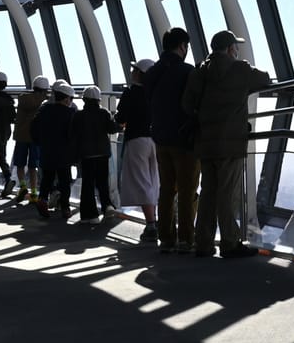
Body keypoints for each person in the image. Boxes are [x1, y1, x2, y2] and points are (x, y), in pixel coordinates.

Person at [183, 30, 270, 258]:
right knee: (227, 193)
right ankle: (230, 242)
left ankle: (203, 243)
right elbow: (265, 78)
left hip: (205, 142)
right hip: (230, 142)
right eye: (236, 48)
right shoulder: (240, 69)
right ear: (231, 49)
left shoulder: (199, 71)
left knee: (209, 192)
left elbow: (186, 104)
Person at [143, 27, 197, 253]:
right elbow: (194, 103)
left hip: (160, 138)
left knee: (167, 189)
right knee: (187, 190)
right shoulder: (187, 71)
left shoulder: (153, 73)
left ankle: (166, 238)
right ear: (182, 46)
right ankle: (186, 239)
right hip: (184, 140)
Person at [115, 58, 159, 245]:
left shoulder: (130, 93)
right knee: (153, 180)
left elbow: (121, 118)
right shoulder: (157, 93)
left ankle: (151, 225)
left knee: (141, 181)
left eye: (135, 69)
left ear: (139, 74)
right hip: (155, 139)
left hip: (136, 139)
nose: (132, 71)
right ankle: (155, 220)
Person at [71, 84, 119, 223]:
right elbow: (112, 129)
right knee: (102, 182)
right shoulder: (104, 113)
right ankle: (107, 206)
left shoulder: (78, 115)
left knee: (88, 184)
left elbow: (73, 136)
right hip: (102, 153)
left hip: (86, 154)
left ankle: (89, 215)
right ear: (98, 100)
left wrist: (74, 155)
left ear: (84, 100)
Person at [32, 79, 76, 219]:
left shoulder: (44, 109)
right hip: (63, 152)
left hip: (47, 150)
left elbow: (34, 127)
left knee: (47, 178)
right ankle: (65, 208)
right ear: (67, 98)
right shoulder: (70, 114)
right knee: (64, 180)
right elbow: (72, 134)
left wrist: (39, 142)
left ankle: (42, 199)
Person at [12, 75, 48, 201]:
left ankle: (22, 187)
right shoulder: (42, 102)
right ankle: (33, 193)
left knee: (20, 163)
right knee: (34, 166)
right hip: (35, 137)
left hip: (21, 136)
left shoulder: (23, 98)